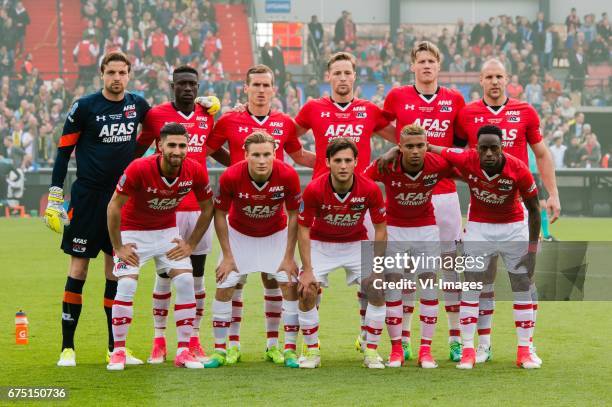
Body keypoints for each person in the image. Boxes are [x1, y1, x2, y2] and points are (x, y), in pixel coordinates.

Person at [46, 52, 151, 367]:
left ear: (129, 75)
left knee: (115, 272)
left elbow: (166, 123)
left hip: (121, 200)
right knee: (78, 269)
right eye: (111, 72)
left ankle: (113, 348)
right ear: (101, 74)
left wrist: (201, 107)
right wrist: (55, 196)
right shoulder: (85, 106)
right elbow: (64, 152)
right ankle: (68, 348)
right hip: (87, 198)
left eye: (122, 72)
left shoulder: (138, 105)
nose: (117, 78)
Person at [205, 64, 314, 364]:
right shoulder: (229, 119)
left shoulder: (285, 123)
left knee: (274, 282)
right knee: (231, 282)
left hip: (273, 220)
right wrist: (233, 165)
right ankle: (230, 346)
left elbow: (299, 156)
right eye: (256, 85)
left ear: (274, 89)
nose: (261, 90)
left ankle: (276, 346)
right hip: (240, 216)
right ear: (246, 88)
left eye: (267, 85)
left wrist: (333, 165)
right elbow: (205, 147)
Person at [455, 58, 559, 364]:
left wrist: (552, 194)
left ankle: (527, 344)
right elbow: (453, 154)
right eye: (489, 76)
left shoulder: (525, 111)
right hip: (482, 209)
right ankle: (482, 345)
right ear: (481, 80)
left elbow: (541, 153)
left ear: (507, 78)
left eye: (499, 76)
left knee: (525, 277)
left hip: (516, 207)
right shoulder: (467, 114)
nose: (495, 81)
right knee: (481, 279)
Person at [293, 51, 395, 353]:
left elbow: (399, 138)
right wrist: (312, 162)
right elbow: (289, 139)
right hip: (322, 199)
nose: (342, 78)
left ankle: (367, 339)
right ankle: (309, 345)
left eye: (347, 73)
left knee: (372, 282)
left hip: (360, 201)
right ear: (328, 77)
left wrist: (386, 156)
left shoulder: (369, 110)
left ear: (354, 76)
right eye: (336, 73)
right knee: (309, 284)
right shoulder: (313, 108)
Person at [378, 41, 466, 362]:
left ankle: (455, 338)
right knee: (408, 272)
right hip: (408, 199)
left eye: (432, 61)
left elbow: (461, 142)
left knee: (450, 269)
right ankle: (405, 339)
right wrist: (400, 146)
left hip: (444, 195)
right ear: (412, 65)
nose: (426, 66)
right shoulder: (397, 96)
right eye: (421, 61)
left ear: (439, 65)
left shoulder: (454, 99)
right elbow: (380, 123)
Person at [428, 125, 542, 370]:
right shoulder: (466, 157)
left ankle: (524, 351)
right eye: (484, 148)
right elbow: (429, 147)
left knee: (521, 284)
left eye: (494, 148)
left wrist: (532, 251)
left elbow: (534, 210)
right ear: (476, 149)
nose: (489, 153)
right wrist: (391, 153)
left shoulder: (519, 169)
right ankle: (469, 350)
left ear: (502, 148)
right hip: (479, 227)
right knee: (472, 284)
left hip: (513, 228)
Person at [106, 122, 214, 370]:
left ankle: (184, 352)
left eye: (182, 145)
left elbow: (209, 207)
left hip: (167, 233)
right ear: (159, 146)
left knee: (187, 281)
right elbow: (113, 206)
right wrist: (118, 246)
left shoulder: (195, 170)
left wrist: (190, 244)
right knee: (127, 283)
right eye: (172, 145)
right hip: (134, 233)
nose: (177, 151)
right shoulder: (139, 168)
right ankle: (119, 351)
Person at [135, 65, 223, 364]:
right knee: (164, 275)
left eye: (192, 84)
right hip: (167, 209)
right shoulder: (156, 115)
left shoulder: (207, 114)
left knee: (196, 277)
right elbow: (138, 150)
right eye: (182, 83)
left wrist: (240, 162)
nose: (188, 88)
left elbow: (213, 149)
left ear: (198, 88)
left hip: (198, 208)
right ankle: (159, 339)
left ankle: (193, 339)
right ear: (172, 86)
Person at [206, 132, 302, 369]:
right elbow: (219, 214)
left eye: (267, 154)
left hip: (275, 234)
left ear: (274, 154)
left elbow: (293, 216)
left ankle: (282, 347)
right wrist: (227, 256)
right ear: (246, 155)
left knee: (288, 285)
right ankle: (224, 348)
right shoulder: (231, 175)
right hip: (239, 234)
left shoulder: (288, 175)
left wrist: (289, 256)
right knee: (225, 286)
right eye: (256, 155)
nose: (262, 160)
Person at [364, 124, 455, 368]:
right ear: (400, 148)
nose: (415, 151)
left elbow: (466, 167)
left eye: (420, 146)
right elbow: (361, 180)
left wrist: (439, 149)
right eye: (409, 146)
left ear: (427, 146)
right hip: (394, 230)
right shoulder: (387, 165)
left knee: (427, 287)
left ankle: (426, 350)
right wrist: (381, 158)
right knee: (394, 289)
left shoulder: (437, 164)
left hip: (426, 230)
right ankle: (397, 349)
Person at [297, 138, 387, 369]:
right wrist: (307, 270)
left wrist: (377, 268)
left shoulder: (369, 188)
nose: (343, 165)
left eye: (348, 160)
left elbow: (380, 229)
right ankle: (312, 351)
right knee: (306, 290)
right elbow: (303, 229)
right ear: (328, 162)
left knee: (378, 287)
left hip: (356, 244)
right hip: (321, 244)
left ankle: (371, 351)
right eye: (338, 160)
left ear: (356, 162)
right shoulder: (315, 189)